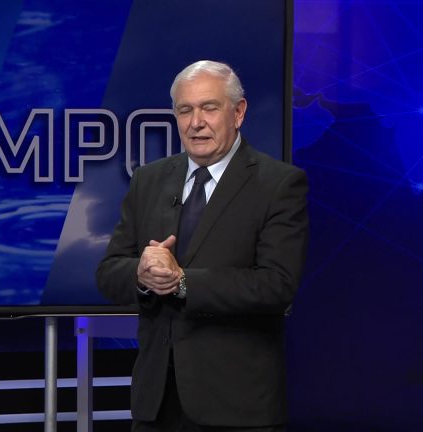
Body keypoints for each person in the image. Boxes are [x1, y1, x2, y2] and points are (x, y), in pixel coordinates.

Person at [96, 60, 309, 431]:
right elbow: (108, 272)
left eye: (209, 108)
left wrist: (183, 282)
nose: (196, 122)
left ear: (238, 112)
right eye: (185, 110)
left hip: (236, 405)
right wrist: (142, 275)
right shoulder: (148, 180)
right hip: (156, 404)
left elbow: (277, 285)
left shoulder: (278, 184)